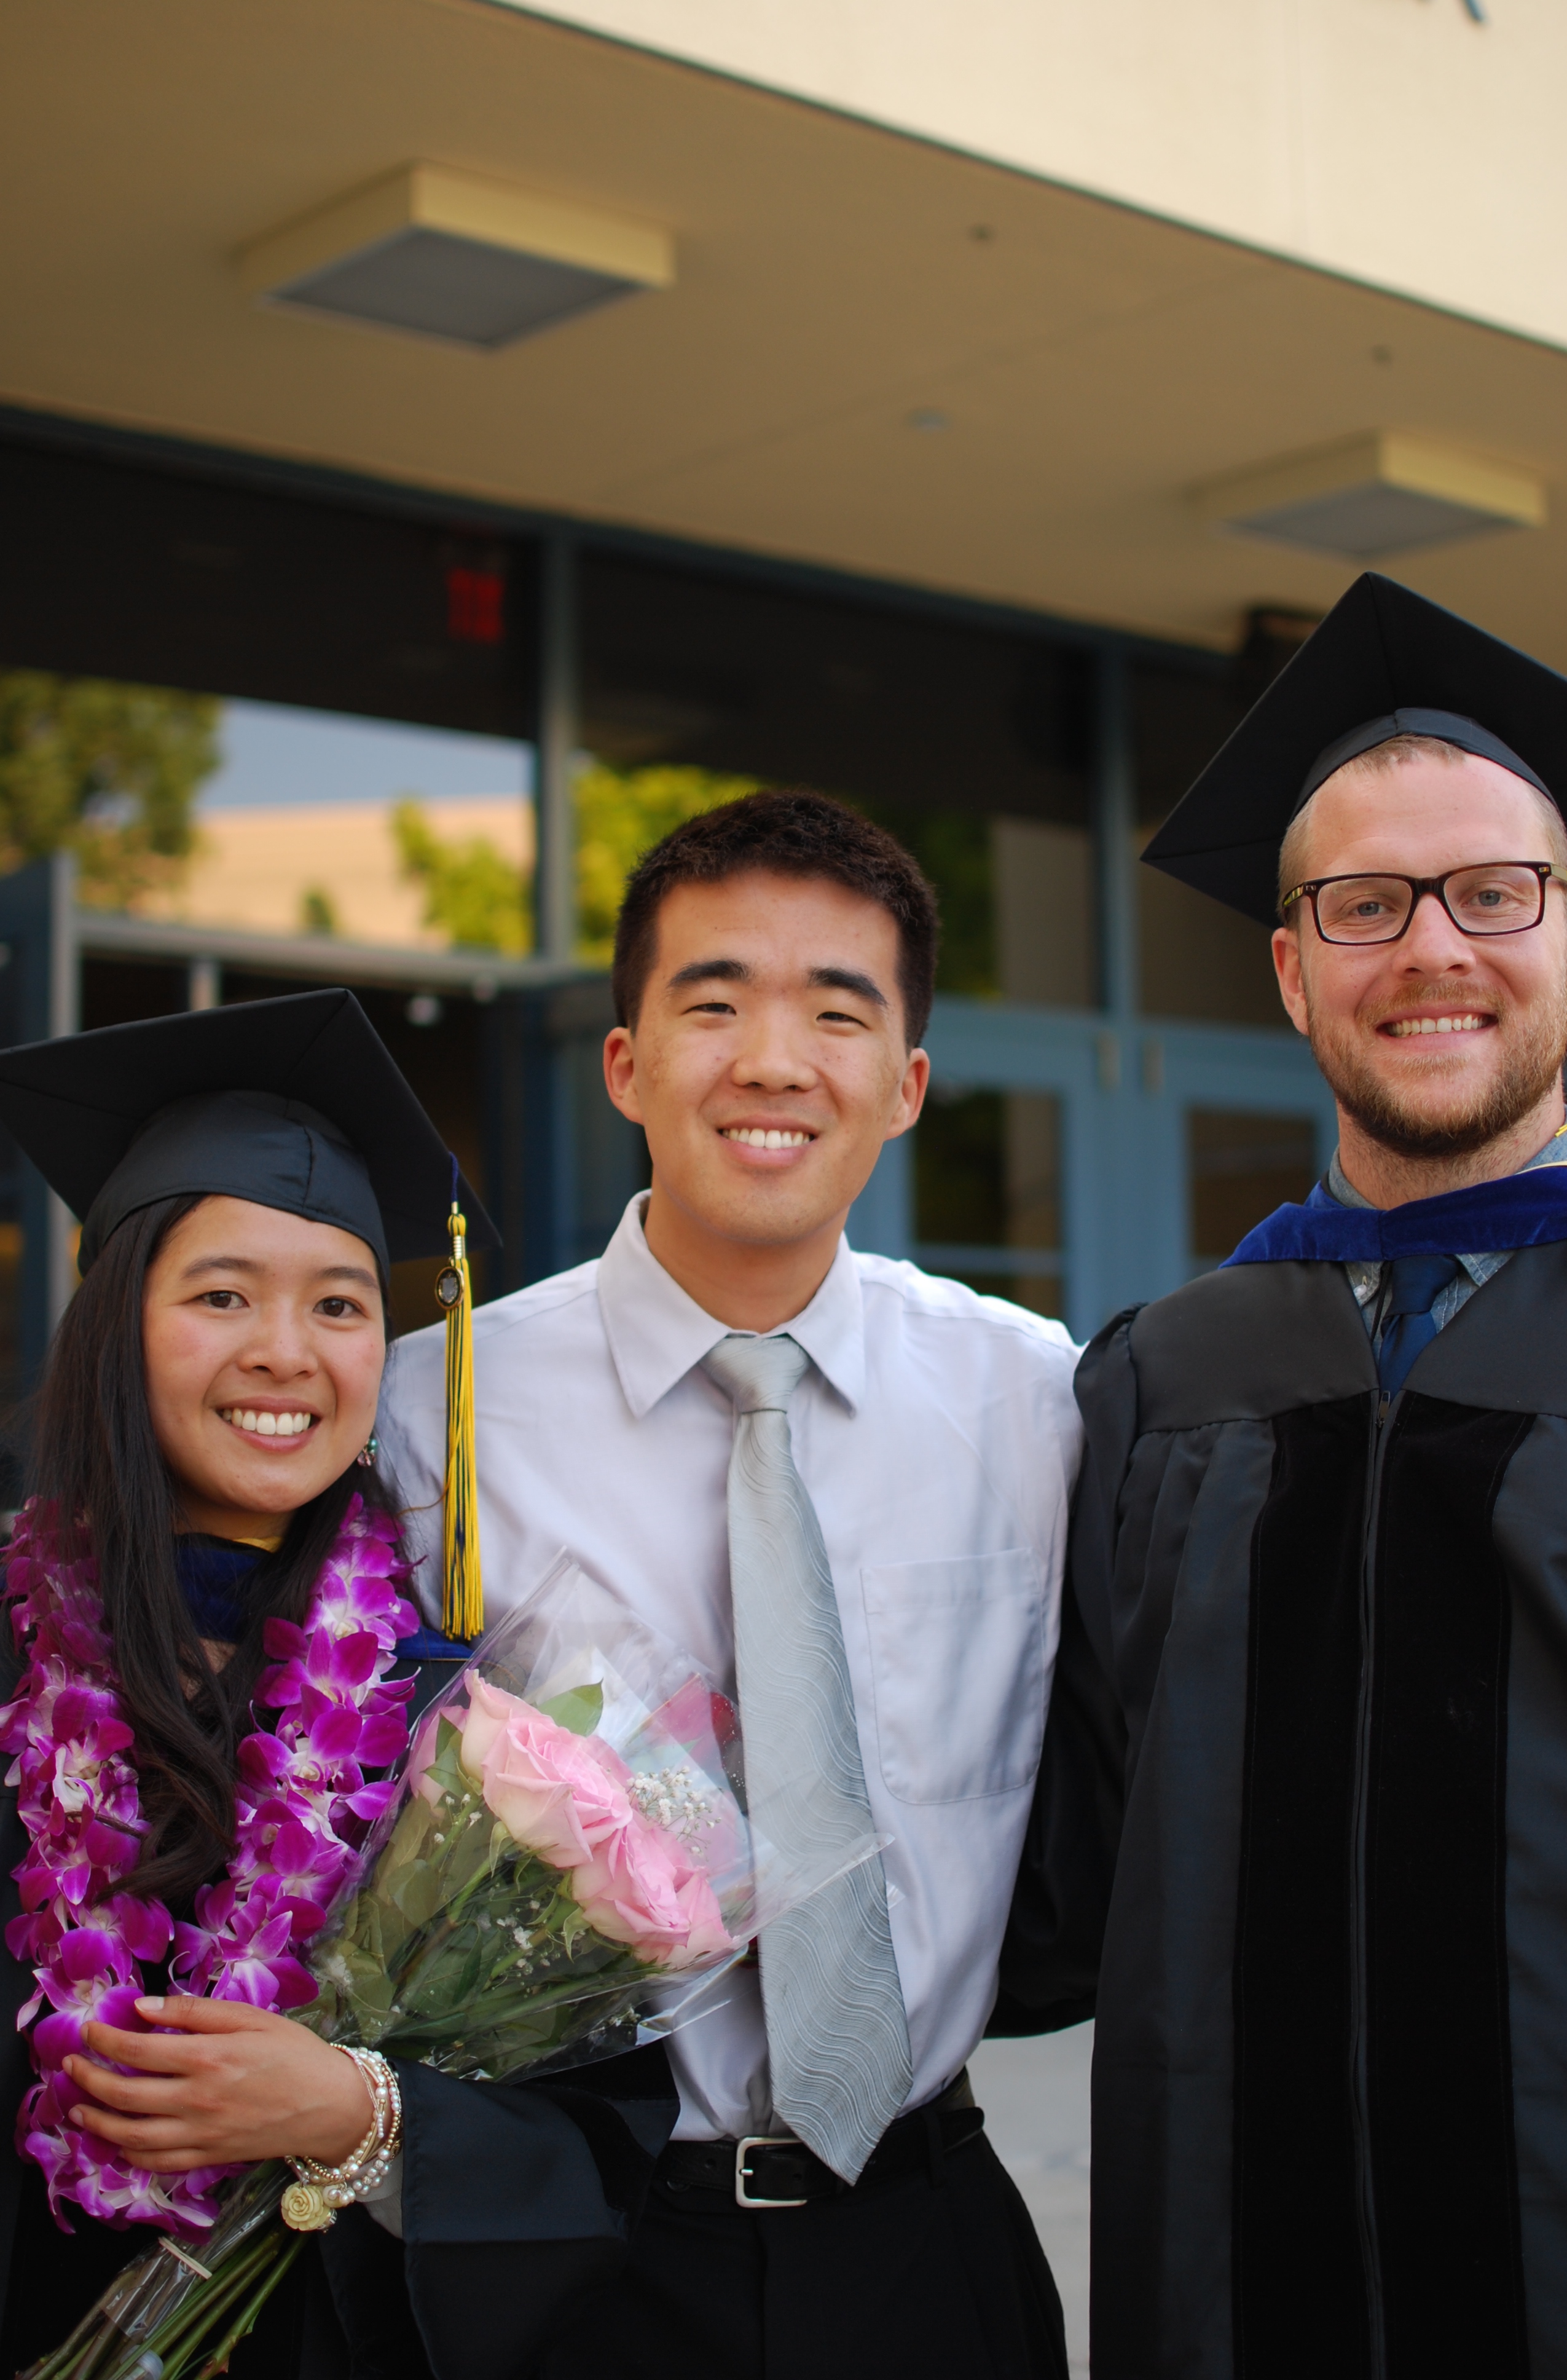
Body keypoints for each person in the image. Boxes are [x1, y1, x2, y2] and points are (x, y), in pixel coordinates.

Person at [379, 789, 1085, 2380]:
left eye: (838, 1011)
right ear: (626, 1062)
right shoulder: (434, 1415)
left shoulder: (1029, 1401)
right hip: (582, 2253)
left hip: (931, 2241)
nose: (774, 1061)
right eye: (715, 1003)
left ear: (906, 1087)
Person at [1000, 572, 1567, 2380]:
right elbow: (1053, 1883)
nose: (1434, 949)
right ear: (1290, 963)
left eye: (1495, 892)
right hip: (1224, 2289)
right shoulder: (1163, 1377)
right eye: (1366, 903)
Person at [0, 988, 678, 2380]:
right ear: (118, 1314)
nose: (286, 1354)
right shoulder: (14, 1657)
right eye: (221, 1294)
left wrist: (361, 2112)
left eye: (341, 1305)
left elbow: (602, 2133)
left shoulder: (457, 1725)